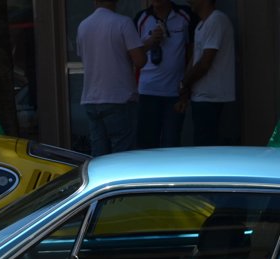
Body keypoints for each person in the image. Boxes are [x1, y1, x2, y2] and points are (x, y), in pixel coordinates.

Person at [77, 0, 146, 156]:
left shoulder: (83, 26)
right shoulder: (123, 23)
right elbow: (140, 60)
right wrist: (146, 45)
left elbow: (88, 56)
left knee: (99, 153)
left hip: (91, 98)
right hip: (119, 98)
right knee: (123, 154)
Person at [134, 0, 195, 148]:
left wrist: (186, 87)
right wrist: (150, 41)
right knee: (147, 146)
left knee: (171, 145)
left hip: (174, 93)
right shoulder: (141, 18)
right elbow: (133, 55)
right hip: (147, 92)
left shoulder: (185, 15)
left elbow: (193, 53)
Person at [177, 0, 235, 146]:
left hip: (211, 97)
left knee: (206, 147)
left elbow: (204, 63)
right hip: (201, 97)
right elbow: (195, 59)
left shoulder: (217, 19)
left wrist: (185, 83)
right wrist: (185, 89)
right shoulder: (201, 25)